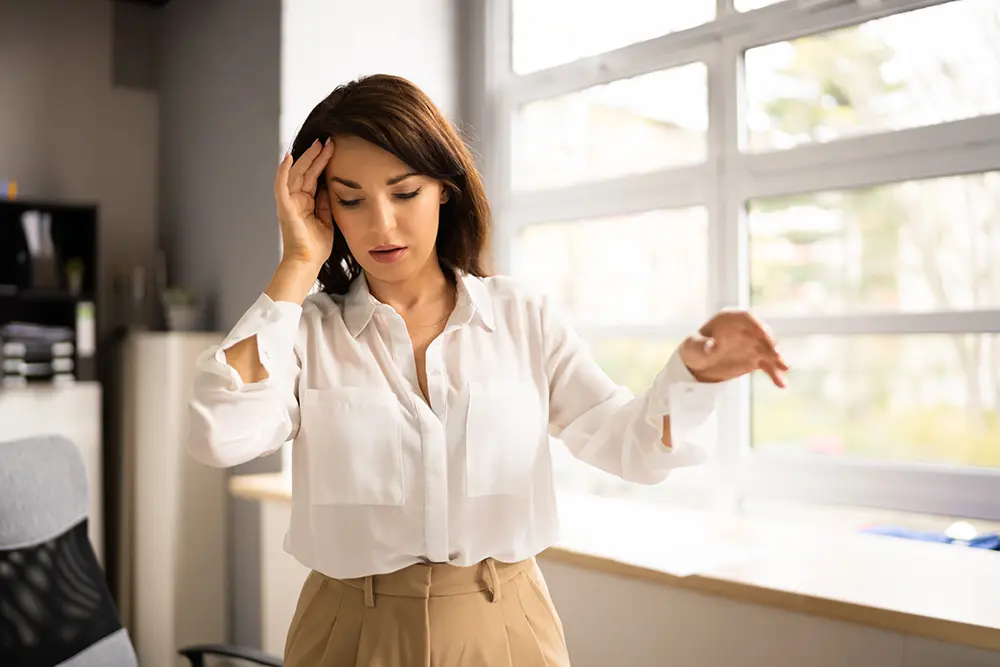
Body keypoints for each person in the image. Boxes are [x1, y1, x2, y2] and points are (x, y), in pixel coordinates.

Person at [188, 74, 788, 667]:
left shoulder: (522, 318)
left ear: (444, 189)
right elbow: (219, 433)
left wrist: (693, 378)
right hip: (346, 628)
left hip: (504, 626)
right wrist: (295, 264)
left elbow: (632, 448)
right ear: (322, 205)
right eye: (351, 199)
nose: (382, 225)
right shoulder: (305, 333)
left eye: (404, 193)